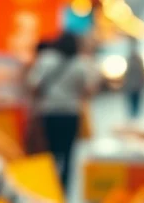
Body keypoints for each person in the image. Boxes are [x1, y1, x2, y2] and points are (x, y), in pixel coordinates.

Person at [27, 32, 98, 189]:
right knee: (68, 153)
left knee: (49, 151)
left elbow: (33, 86)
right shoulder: (80, 64)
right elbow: (88, 90)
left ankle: (49, 183)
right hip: (70, 113)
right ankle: (64, 187)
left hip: (49, 112)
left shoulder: (46, 59)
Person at [123, 38, 144, 120]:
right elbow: (126, 73)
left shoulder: (139, 59)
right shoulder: (128, 59)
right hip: (130, 85)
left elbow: (142, 73)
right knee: (131, 103)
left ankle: (136, 117)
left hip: (137, 85)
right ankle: (132, 117)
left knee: (137, 103)